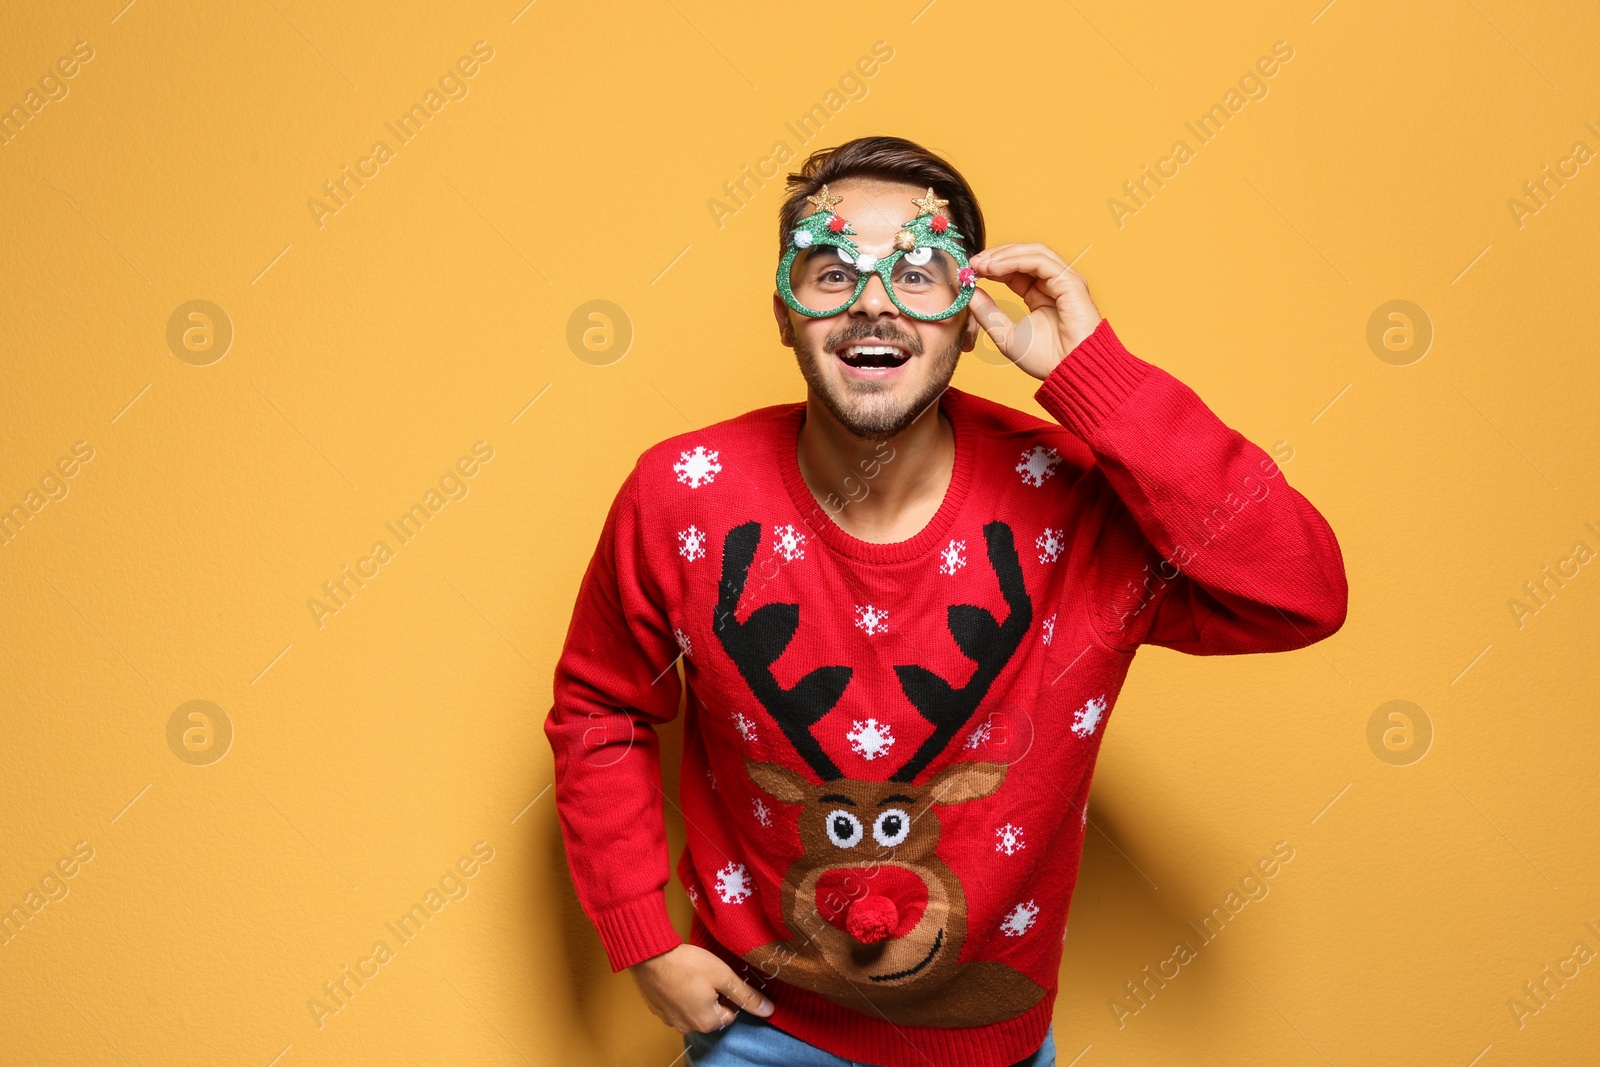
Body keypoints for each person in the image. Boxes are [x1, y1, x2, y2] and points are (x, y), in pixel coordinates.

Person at [543, 135, 1348, 1067]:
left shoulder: (1074, 503)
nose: (874, 301)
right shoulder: (683, 492)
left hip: (987, 1042)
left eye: (920, 271)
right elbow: (602, 705)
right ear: (782, 310)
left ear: (971, 315)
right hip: (756, 1028)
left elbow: (1302, 592)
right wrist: (641, 934)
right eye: (833, 269)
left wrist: (1096, 379)